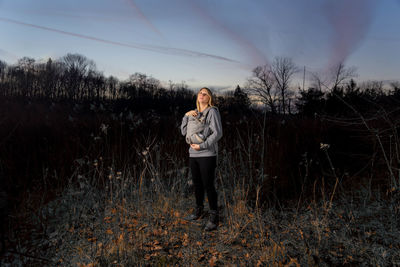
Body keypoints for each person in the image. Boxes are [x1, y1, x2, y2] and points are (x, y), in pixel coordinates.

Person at [180, 87, 223, 231]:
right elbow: (183, 131)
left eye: (205, 94)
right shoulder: (193, 113)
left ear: (209, 98)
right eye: (200, 93)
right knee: (197, 184)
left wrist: (202, 145)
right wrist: (186, 116)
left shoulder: (212, 111)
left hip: (207, 154)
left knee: (208, 185)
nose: (202, 95)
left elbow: (217, 133)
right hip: (193, 154)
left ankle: (214, 217)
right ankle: (198, 212)